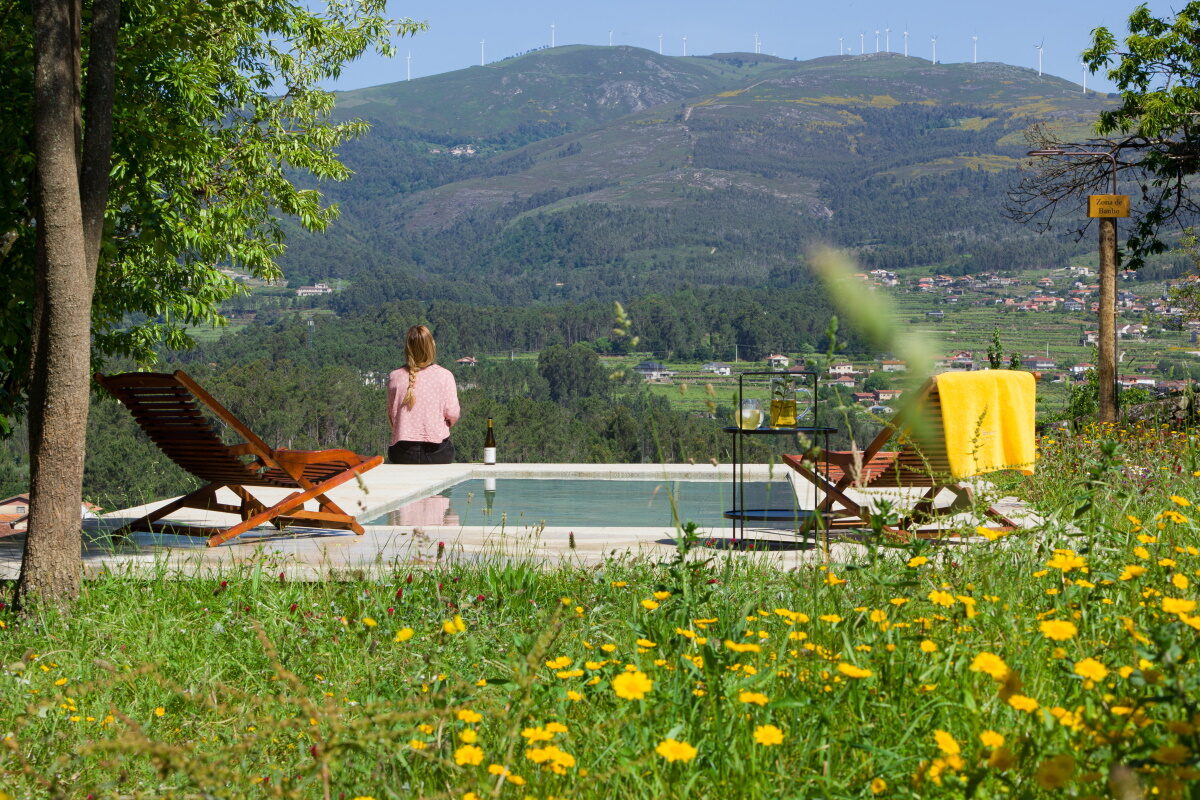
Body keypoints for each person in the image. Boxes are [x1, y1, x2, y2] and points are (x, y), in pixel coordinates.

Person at [386, 325, 460, 464]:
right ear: (431, 347)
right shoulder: (445, 376)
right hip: (438, 453)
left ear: (407, 348)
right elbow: (453, 414)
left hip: (402, 453)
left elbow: (392, 415)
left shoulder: (394, 377)